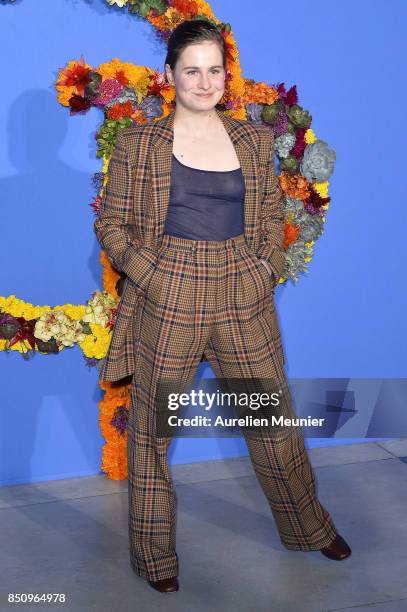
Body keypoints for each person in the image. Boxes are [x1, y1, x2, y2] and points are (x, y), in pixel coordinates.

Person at [94, 18, 351, 594]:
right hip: (170, 289)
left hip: (244, 291)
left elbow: (268, 225)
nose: (205, 81)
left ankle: (309, 527)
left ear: (225, 75)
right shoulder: (140, 143)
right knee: (152, 433)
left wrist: (265, 270)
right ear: (170, 77)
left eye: (215, 70)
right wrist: (151, 275)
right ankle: (154, 556)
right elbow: (111, 224)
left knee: (270, 422)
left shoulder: (255, 142)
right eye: (192, 71)